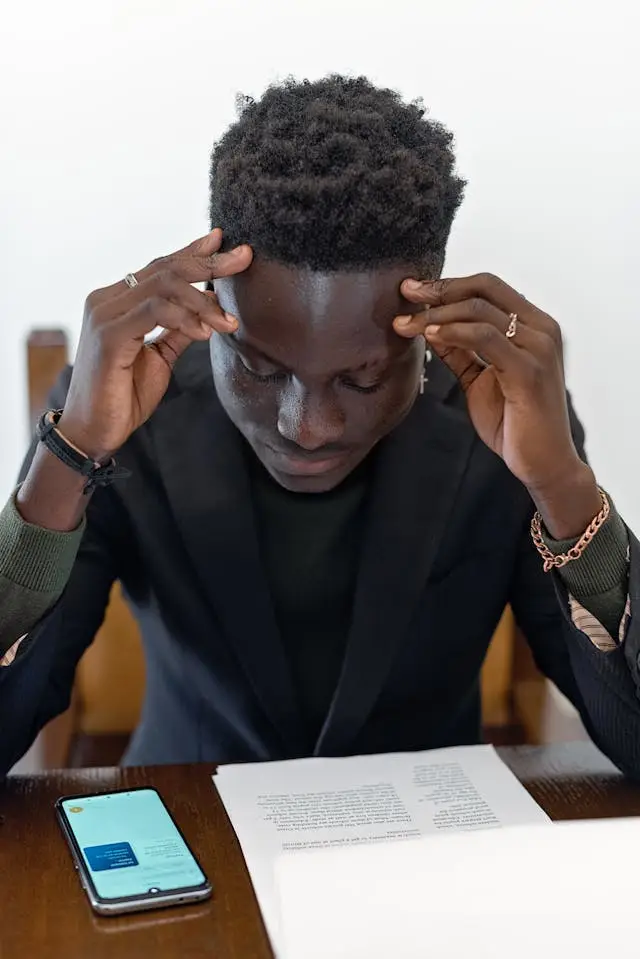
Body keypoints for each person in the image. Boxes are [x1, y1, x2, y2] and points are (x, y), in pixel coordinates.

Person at [0, 75, 637, 777]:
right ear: (212, 303)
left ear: (424, 328)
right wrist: (71, 451)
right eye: (260, 369)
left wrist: (560, 484)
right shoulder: (122, 415)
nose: (307, 428)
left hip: (434, 826)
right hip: (189, 818)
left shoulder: (506, 421)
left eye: (362, 379)